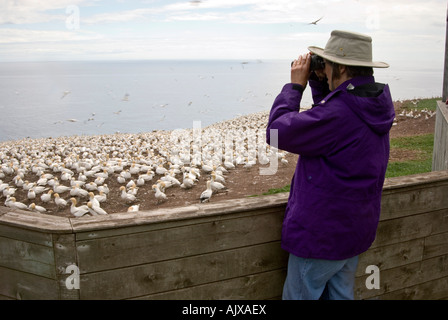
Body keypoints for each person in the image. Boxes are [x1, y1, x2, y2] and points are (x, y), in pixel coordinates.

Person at [266, 30, 395, 300]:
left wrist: (294, 87)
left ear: (343, 67)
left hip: (321, 239)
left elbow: (277, 132)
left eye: (326, 63)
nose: (321, 67)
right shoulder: (372, 103)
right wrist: (321, 82)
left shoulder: (340, 114)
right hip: (353, 234)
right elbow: (332, 118)